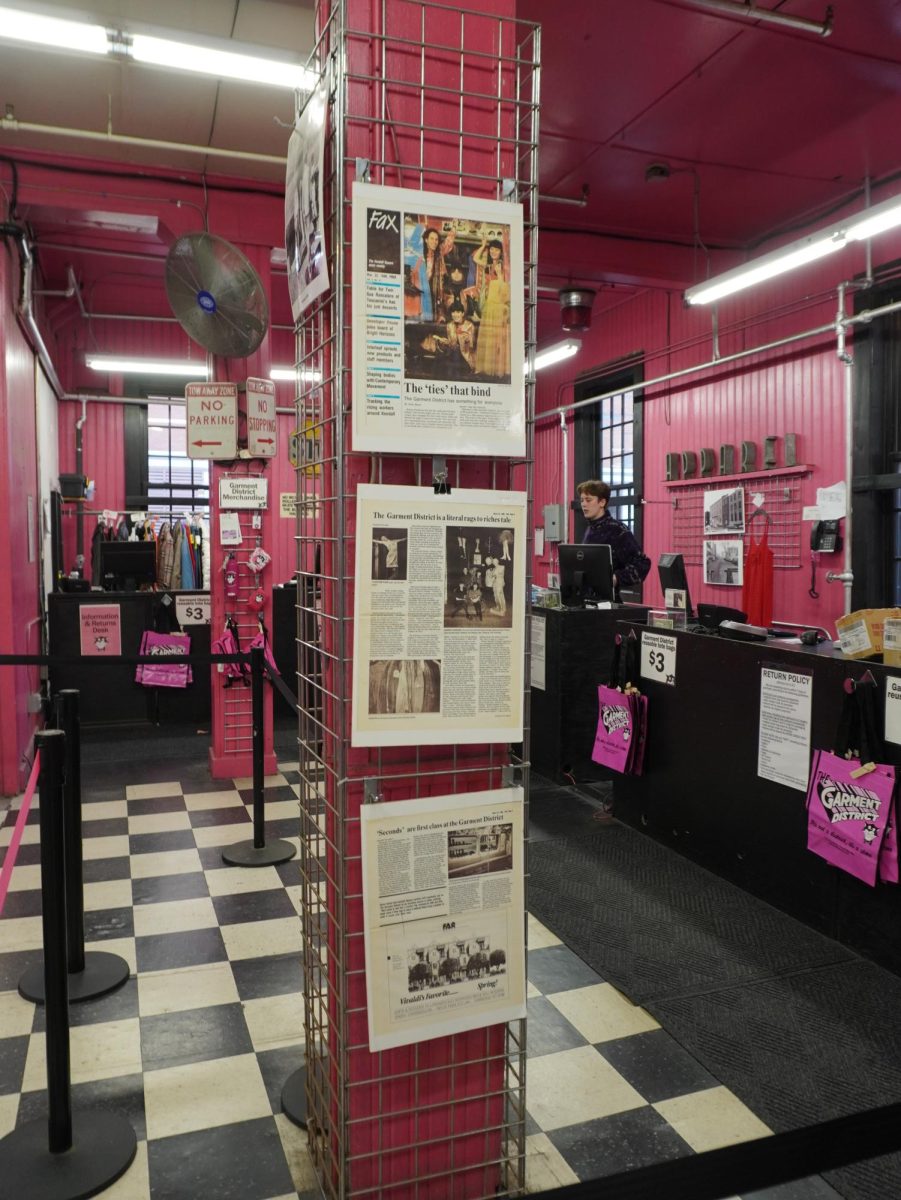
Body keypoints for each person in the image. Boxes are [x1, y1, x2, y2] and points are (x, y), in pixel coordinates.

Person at [577, 479, 651, 596]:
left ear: (602, 502)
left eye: (588, 500)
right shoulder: (590, 529)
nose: (584, 504)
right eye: (582, 500)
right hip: (585, 601)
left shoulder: (618, 530)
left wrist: (615, 578)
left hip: (607, 604)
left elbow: (642, 564)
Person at [467, 236, 510, 378]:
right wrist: (483, 245)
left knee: (497, 339)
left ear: (501, 252)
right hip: (487, 305)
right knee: (487, 338)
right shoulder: (488, 265)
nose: (493, 252)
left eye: (496, 249)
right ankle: (486, 369)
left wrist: (499, 275)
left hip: (498, 307)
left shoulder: (504, 267)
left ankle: (496, 370)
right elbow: (475, 259)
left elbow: (505, 290)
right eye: (491, 249)